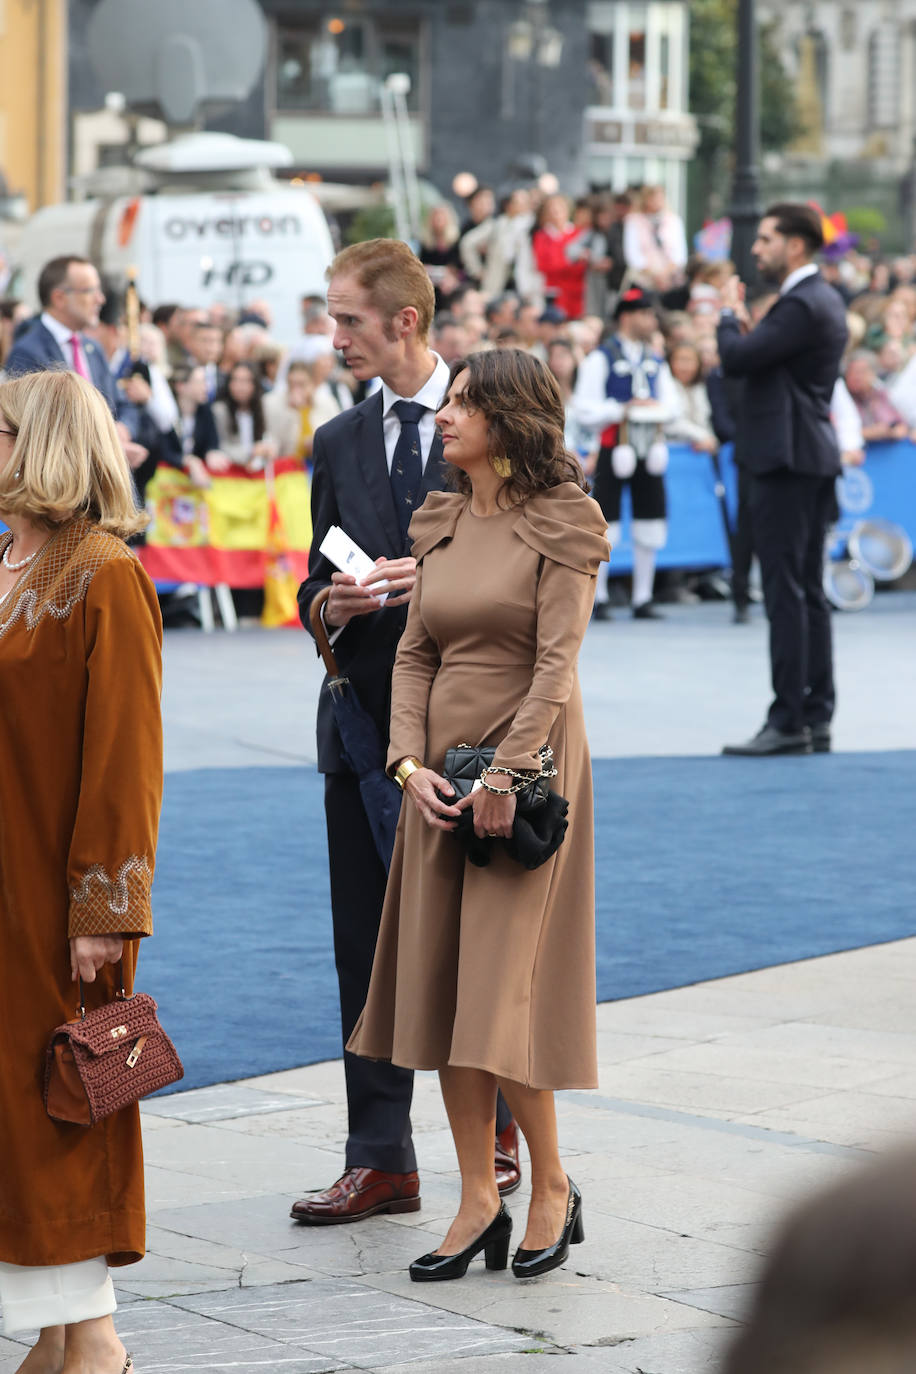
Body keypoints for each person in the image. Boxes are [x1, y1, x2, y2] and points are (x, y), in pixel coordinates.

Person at [348, 348, 608, 1282]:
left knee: (498, 993)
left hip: (525, 770)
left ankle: (551, 1185)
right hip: (438, 778)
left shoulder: (565, 521)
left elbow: (555, 665)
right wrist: (408, 763)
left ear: (509, 419)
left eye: (463, 402)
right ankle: (476, 1197)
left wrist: (506, 774)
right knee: (447, 988)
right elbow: (414, 655)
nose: (445, 415)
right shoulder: (443, 517)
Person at [294, 239, 520, 1227]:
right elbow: (308, 581)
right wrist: (333, 605)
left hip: (464, 735)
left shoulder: (489, 418)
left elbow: (537, 558)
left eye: (346, 319)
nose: (332, 336)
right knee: (366, 950)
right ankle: (380, 1157)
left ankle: (505, 1136)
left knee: (474, 943)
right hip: (357, 728)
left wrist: (432, 581)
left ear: (405, 322)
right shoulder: (338, 440)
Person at [0, 369, 163, 1373]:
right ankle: (62, 1335)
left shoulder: (100, 572)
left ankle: (93, 1338)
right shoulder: (15, 563)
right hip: (4, 877)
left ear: (45, 444)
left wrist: (106, 906)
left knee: (64, 1089)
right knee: (18, 1099)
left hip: (58, 898)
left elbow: (126, 753)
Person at [718, 203, 848, 757]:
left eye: (766, 239)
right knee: (808, 591)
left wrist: (728, 315)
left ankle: (789, 717)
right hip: (805, 456)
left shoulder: (800, 303)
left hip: (786, 460)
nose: (756, 248)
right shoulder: (818, 300)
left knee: (787, 593)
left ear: (795, 246)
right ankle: (813, 714)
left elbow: (738, 359)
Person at [571, 286, 679, 619]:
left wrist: (651, 408)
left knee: (651, 520)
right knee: (606, 523)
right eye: (646, 314)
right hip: (612, 448)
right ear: (628, 316)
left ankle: (642, 596)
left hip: (649, 448)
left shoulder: (655, 361)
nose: (652, 321)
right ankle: (599, 596)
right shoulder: (601, 358)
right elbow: (584, 408)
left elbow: (673, 407)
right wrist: (622, 409)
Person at [4, 256, 117, 412]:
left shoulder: (93, 348)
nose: (100, 299)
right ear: (59, 298)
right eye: (90, 291)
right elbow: (29, 420)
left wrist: (124, 427)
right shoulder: (27, 352)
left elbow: (120, 403)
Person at [532, 194, 589, 321]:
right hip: (555, 294)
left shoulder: (579, 233)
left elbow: (583, 265)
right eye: (551, 209)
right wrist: (571, 263)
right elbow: (543, 265)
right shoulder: (542, 236)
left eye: (559, 208)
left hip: (578, 293)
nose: (555, 212)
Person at [212, 362, 275, 472]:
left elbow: (270, 438)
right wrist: (251, 451)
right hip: (231, 474)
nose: (240, 386)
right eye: (235, 380)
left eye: (246, 381)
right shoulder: (220, 410)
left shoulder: (264, 408)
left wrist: (268, 449)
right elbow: (221, 446)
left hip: (257, 471)